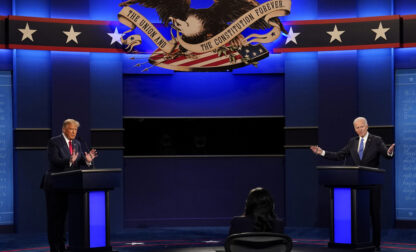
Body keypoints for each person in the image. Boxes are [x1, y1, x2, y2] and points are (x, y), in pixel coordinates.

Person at [310, 116, 395, 251]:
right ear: (354, 129)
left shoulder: (377, 140)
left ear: (367, 126)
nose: (360, 129)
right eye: (357, 127)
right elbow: (339, 155)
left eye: (362, 126)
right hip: (357, 186)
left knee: (374, 214)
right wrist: (322, 152)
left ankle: (376, 244)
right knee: (358, 215)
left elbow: (386, 153)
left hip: (372, 184)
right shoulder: (352, 142)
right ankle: (359, 242)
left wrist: (390, 152)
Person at [40, 119, 98, 252]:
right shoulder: (54, 142)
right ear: (64, 129)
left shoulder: (77, 143)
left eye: (76, 130)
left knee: (66, 218)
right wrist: (69, 160)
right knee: (56, 218)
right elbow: (55, 160)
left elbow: (78, 160)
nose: (74, 132)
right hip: (54, 185)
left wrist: (87, 161)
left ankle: (63, 246)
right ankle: (55, 248)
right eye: (71, 129)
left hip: (70, 186)